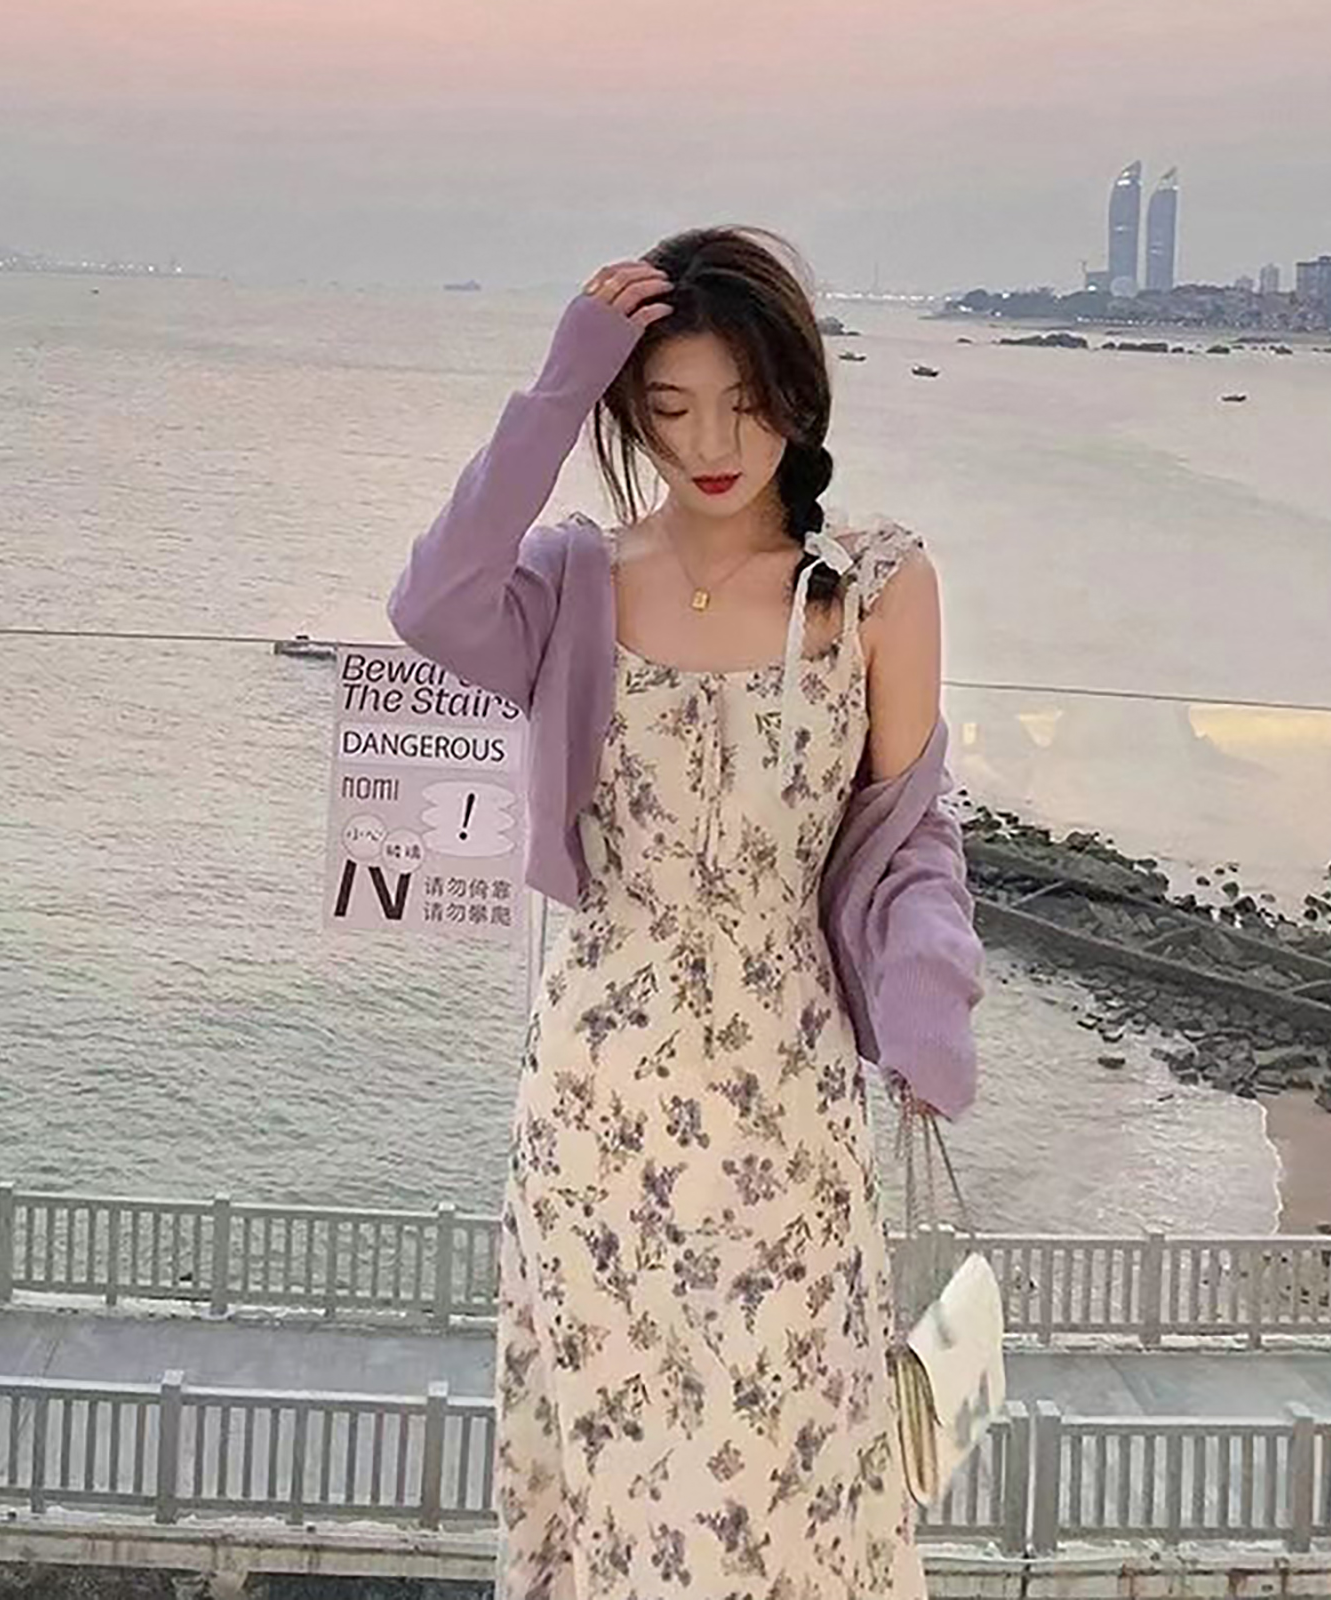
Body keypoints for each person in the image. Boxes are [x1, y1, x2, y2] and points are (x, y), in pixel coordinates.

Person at [388, 226, 984, 1599]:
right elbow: (432, 602)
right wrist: (560, 384)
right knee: (620, 1487)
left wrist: (927, 1000)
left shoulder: (878, 587)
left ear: (800, 392)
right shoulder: (577, 579)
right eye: (667, 408)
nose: (712, 443)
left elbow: (908, 837)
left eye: (745, 401)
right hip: (596, 1108)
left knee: (786, 1477)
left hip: (788, 1105)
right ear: (628, 411)